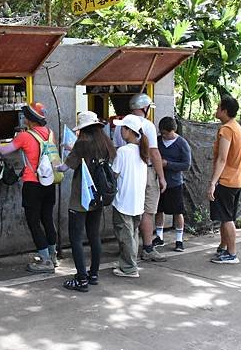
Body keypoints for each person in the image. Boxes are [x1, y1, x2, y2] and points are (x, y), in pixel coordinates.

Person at [0, 102, 58, 273]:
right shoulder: (51, 133)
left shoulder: (25, 136)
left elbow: (4, 151)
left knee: (33, 222)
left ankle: (44, 261)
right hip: (49, 182)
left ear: (30, 119)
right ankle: (53, 255)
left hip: (32, 184)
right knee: (47, 219)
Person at [58, 111, 116, 292]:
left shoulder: (82, 144)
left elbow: (65, 167)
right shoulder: (105, 143)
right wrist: (72, 149)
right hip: (97, 196)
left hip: (80, 197)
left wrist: (51, 166)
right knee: (94, 236)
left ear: (83, 129)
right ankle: (93, 274)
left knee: (76, 238)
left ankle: (81, 279)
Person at [113, 94, 167, 262]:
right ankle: (148, 248)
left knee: (126, 213)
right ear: (145, 108)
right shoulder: (147, 125)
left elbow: (115, 149)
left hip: (124, 171)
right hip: (146, 170)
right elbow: (154, 153)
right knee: (147, 211)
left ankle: (127, 248)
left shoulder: (119, 126)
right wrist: (161, 177)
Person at [208, 96, 241, 264]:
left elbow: (222, 159)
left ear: (224, 111)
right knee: (227, 216)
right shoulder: (236, 127)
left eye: (218, 108)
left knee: (227, 218)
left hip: (226, 180)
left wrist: (212, 182)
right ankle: (224, 247)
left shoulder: (227, 129)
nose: (216, 110)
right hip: (237, 179)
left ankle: (231, 254)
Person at [111, 114, 149, 278]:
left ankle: (129, 268)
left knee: (125, 235)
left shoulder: (123, 151)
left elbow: (114, 174)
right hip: (137, 201)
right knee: (132, 234)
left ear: (129, 131)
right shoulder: (142, 151)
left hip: (123, 200)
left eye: (122, 128)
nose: (119, 131)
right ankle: (129, 263)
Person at [153, 116, 191, 252]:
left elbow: (186, 165)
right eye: (161, 133)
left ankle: (179, 239)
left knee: (177, 211)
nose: (163, 135)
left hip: (175, 183)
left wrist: (167, 164)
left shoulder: (182, 144)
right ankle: (159, 236)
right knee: (158, 210)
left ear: (172, 131)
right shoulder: (157, 141)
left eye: (165, 133)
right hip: (157, 181)